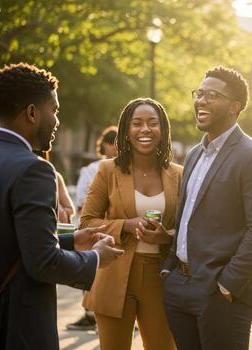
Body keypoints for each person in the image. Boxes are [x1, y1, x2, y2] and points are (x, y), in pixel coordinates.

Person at [0, 62, 123, 349]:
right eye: (55, 110)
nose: (57, 120)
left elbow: (10, 239)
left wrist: (71, 240)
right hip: (16, 326)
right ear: (32, 113)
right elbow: (43, 263)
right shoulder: (33, 170)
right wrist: (96, 257)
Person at [161, 66, 252, 350]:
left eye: (212, 95)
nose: (201, 100)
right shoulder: (192, 155)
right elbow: (190, 218)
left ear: (235, 106)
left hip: (220, 292)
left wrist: (228, 285)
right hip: (180, 286)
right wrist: (170, 270)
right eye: (199, 93)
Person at [80, 98, 181, 349]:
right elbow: (86, 224)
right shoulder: (107, 170)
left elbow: (191, 228)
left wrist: (166, 236)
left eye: (152, 123)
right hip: (114, 273)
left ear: (163, 130)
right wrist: (125, 225)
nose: (145, 129)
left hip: (161, 277)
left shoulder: (180, 174)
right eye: (137, 123)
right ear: (126, 130)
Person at [67, 125, 118, 332]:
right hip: (96, 228)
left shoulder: (128, 169)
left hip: (114, 229)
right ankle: (90, 313)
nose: (116, 148)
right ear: (105, 145)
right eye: (113, 143)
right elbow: (81, 204)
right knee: (93, 269)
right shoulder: (90, 170)